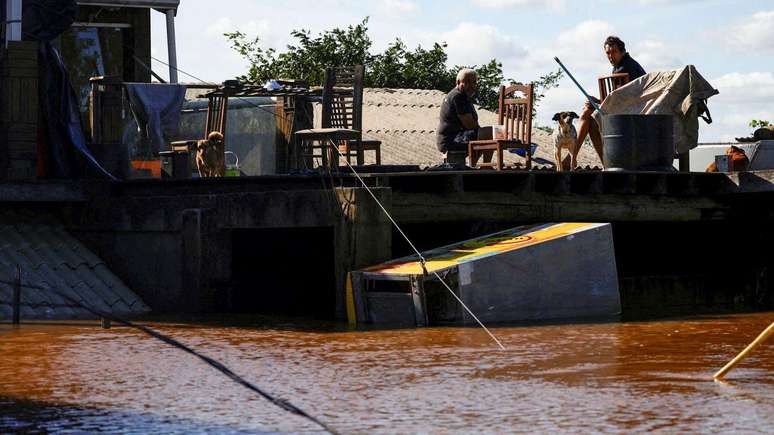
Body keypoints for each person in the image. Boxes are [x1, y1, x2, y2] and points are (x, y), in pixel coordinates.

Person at [576, 36, 646, 164]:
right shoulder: (626, 64)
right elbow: (617, 98)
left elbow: (619, 100)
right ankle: (602, 162)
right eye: (607, 53)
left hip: (630, 118)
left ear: (622, 51)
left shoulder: (624, 68)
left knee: (587, 113)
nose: (610, 56)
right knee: (590, 120)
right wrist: (597, 101)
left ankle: (575, 156)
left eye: (613, 52)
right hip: (629, 113)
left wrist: (598, 102)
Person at [437, 68, 480, 157]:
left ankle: (479, 165)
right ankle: (484, 166)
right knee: (490, 134)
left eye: (474, 82)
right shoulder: (458, 97)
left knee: (489, 133)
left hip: (452, 139)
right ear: (458, 82)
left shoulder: (462, 96)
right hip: (452, 140)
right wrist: (487, 132)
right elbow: (470, 125)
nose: (472, 86)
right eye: (467, 82)